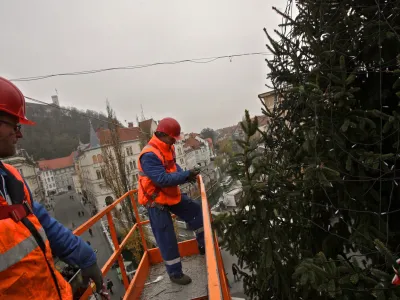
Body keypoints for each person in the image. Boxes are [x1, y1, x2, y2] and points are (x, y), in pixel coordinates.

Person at [0, 77, 104, 298]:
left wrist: (83, 255)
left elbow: (42, 221)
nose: (19, 134)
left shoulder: (10, 177)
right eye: (14, 125)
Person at [138, 117, 204, 285]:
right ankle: (175, 273)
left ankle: (204, 244)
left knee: (196, 211)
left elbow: (174, 168)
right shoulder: (149, 154)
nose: (175, 141)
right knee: (166, 237)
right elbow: (161, 179)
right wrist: (185, 175)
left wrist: (186, 174)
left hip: (168, 194)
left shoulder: (167, 147)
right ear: (163, 134)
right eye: (173, 138)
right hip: (154, 201)